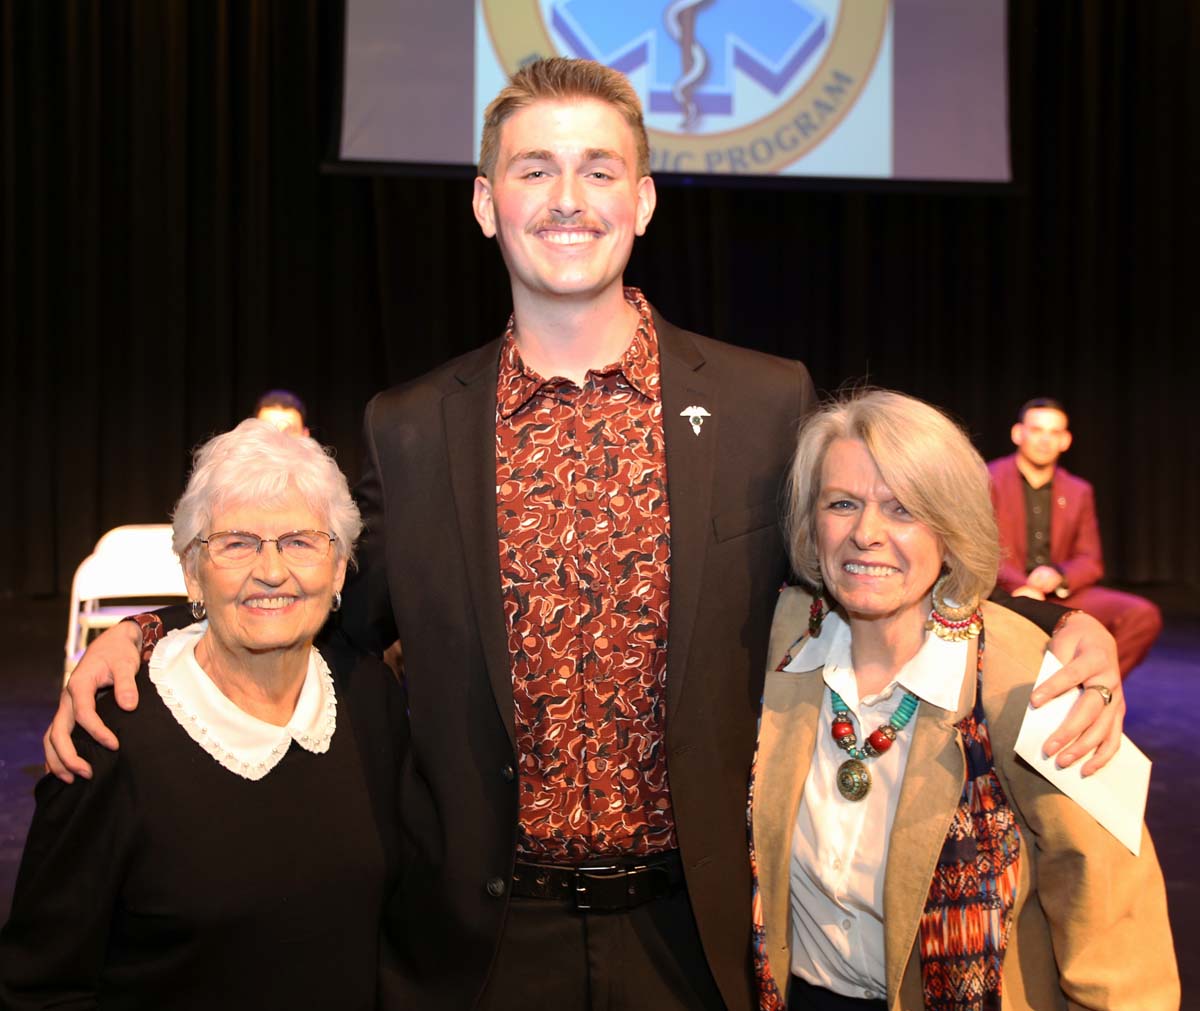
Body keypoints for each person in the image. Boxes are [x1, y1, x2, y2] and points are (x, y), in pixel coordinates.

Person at [45, 60, 1128, 1011]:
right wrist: (150, 632)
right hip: (476, 941)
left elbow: (865, 562)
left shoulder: (759, 401)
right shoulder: (411, 423)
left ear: (644, 200)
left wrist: (1053, 624)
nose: (568, 199)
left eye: (600, 170)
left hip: (694, 934)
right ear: (484, 203)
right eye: (533, 170)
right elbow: (333, 597)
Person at [749, 391, 1177, 1010]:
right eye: (842, 504)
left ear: (952, 530)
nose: (866, 534)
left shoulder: (1038, 681)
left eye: (903, 510)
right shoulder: (776, 642)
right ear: (813, 529)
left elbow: (1117, 927)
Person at [2, 420, 407, 1009]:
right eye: (237, 543)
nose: (271, 571)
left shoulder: (371, 698)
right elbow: (41, 988)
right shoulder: (111, 738)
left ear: (340, 567)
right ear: (192, 571)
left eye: (299, 541)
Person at [989, 398, 1163, 675]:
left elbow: (1090, 559)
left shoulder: (1077, 490)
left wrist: (1059, 576)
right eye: (1037, 430)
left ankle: (1086, 688)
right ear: (1018, 434)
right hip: (1004, 591)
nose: (1045, 440)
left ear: (1066, 440)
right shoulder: (989, 479)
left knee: (1140, 615)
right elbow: (980, 549)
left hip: (1056, 594)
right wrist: (1021, 585)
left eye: (1054, 432)